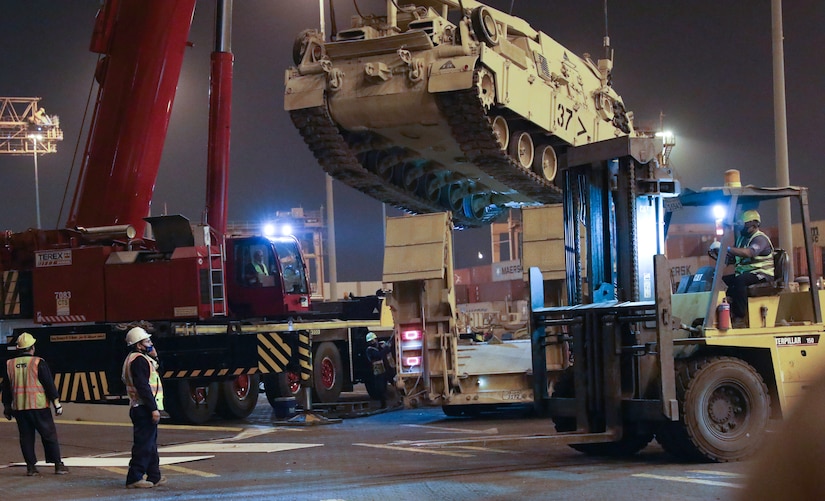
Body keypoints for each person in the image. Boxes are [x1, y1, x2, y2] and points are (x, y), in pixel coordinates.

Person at [1, 332, 69, 477]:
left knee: (26, 437)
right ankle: (58, 465)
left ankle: (31, 468)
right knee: (49, 435)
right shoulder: (38, 362)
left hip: (19, 408)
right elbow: (49, 384)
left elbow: (6, 388)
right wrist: (56, 403)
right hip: (39, 407)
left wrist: (6, 407)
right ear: (32, 347)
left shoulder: (9, 364)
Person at [709, 209, 774, 327]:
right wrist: (720, 254)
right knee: (722, 281)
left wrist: (726, 248)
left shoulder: (760, 239)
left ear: (754, 225)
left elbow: (750, 253)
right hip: (746, 273)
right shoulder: (741, 239)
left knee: (740, 281)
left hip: (761, 274)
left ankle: (740, 316)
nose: (741, 228)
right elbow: (736, 257)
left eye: (744, 225)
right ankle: (725, 311)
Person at [122, 327, 166, 489]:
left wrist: (154, 355)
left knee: (150, 444)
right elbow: (143, 386)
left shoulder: (136, 359)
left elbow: (156, 372)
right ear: (139, 345)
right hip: (143, 408)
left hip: (140, 406)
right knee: (143, 445)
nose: (151, 343)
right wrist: (153, 408)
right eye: (147, 341)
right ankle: (134, 477)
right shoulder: (139, 360)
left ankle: (154, 476)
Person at [365, 331, 396, 409]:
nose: (373, 342)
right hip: (379, 371)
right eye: (371, 341)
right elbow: (379, 355)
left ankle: (400, 399)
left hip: (387, 369)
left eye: (373, 340)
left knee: (395, 383)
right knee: (381, 388)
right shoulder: (370, 350)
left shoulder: (380, 345)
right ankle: (383, 405)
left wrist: (387, 346)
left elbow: (388, 351)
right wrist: (385, 348)